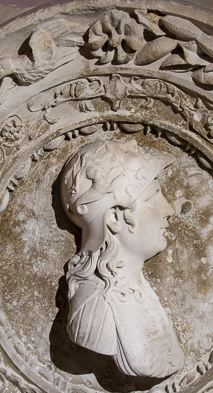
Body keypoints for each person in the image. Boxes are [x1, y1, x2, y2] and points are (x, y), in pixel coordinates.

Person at [57, 138, 185, 379]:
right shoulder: (93, 314)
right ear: (114, 218)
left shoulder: (137, 288)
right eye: (151, 198)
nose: (168, 210)